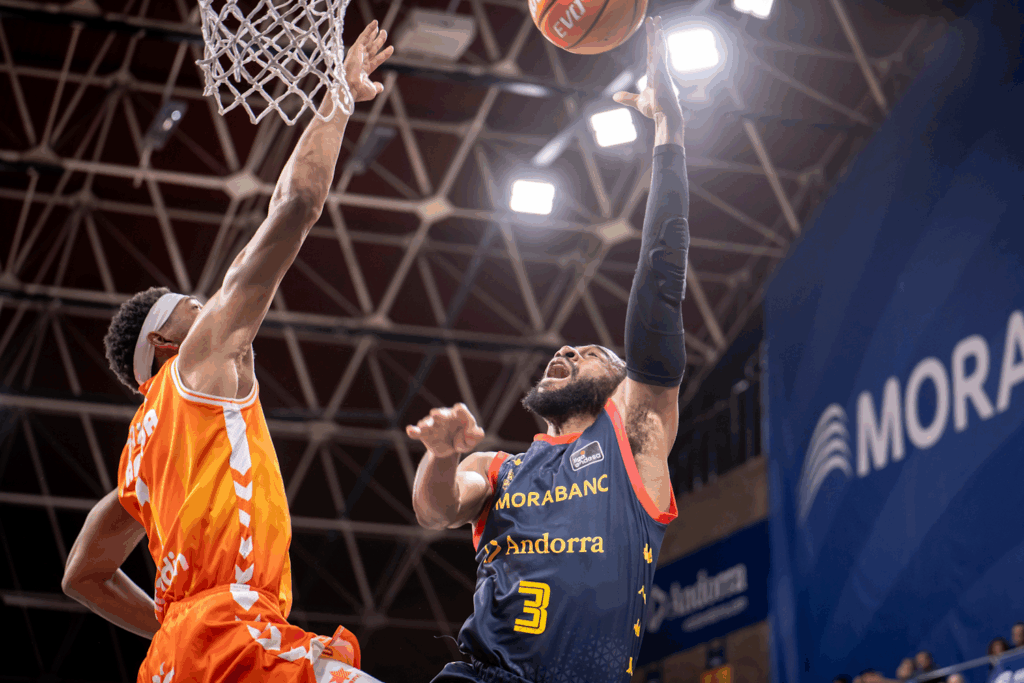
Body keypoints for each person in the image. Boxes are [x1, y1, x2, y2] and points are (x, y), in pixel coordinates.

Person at [60, 21, 393, 683]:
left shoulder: (140, 461)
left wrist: (177, 626)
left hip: (179, 660)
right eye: (192, 305)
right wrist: (338, 95)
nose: (208, 305)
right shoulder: (198, 363)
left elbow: (82, 575)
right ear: (166, 343)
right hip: (238, 638)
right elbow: (296, 205)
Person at [409, 16, 686, 683]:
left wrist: (671, 133)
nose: (564, 349)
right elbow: (434, 510)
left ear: (622, 380)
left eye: (587, 351)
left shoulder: (634, 438)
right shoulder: (500, 469)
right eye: (562, 351)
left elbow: (659, 281)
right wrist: (440, 457)